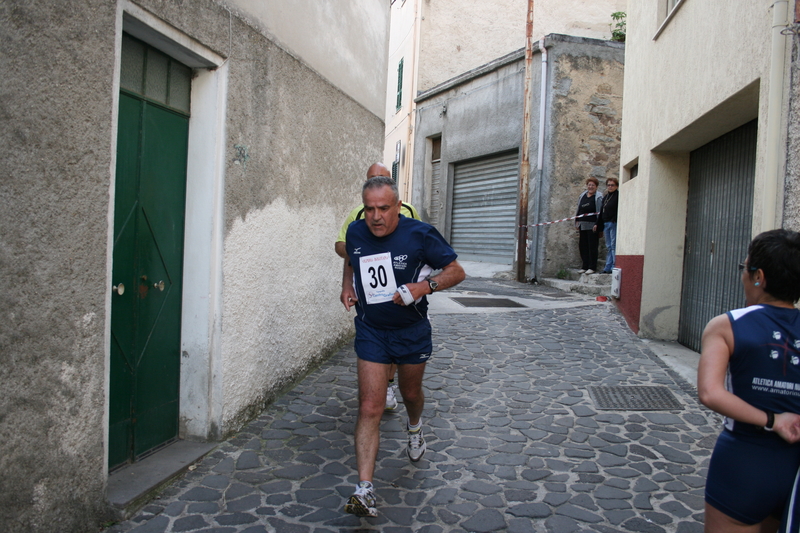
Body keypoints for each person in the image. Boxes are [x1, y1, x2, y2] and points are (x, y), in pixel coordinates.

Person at [340, 176, 465, 518]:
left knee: (411, 394)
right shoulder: (356, 232)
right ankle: (364, 490)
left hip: (411, 331)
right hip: (371, 330)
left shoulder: (419, 234)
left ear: (398, 206)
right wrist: (347, 285)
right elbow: (351, 259)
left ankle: (415, 428)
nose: (376, 216)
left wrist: (424, 286)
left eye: (383, 208)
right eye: (369, 209)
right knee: (369, 407)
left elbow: (456, 271)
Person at [697, 229, 800, 533]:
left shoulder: (727, 325)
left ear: (759, 276)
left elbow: (710, 393)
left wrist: (773, 419)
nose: (744, 275)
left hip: (744, 460)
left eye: (745, 268)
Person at [335, 163, 421, 411]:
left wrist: (421, 284)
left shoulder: (409, 210)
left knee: (397, 334)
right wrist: (357, 255)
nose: (377, 183)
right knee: (376, 336)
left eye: (382, 178)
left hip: (402, 288)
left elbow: (420, 241)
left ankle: (390, 384)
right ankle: (379, 390)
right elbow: (342, 245)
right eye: (372, 179)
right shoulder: (358, 215)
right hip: (369, 290)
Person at [575, 177, 602, 274]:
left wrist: (598, 224)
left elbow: (600, 212)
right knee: (583, 246)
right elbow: (579, 209)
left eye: (593, 185)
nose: (590, 187)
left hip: (593, 225)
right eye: (589, 185)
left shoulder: (598, 197)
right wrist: (577, 221)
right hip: (582, 224)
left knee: (592, 246)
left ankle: (592, 267)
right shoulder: (582, 195)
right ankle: (584, 266)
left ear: (596, 186)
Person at [594, 177, 619, 274]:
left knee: (613, 245)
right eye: (608, 185)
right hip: (606, 223)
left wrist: (614, 219)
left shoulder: (618, 196)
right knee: (608, 246)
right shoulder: (606, 197)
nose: (610, 187)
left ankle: (613, 266)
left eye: (612, 185)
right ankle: (607, 267)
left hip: (613, 223)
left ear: (616, 186)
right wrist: (597, 223)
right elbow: (601, 212)